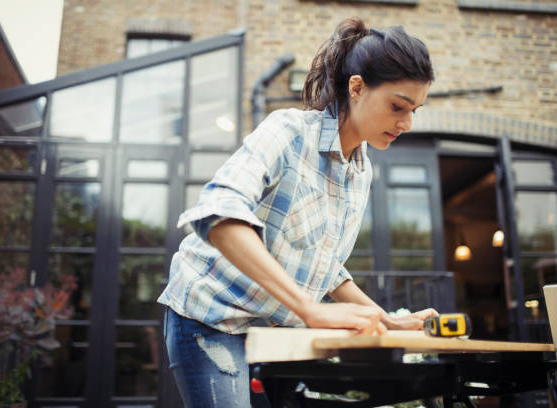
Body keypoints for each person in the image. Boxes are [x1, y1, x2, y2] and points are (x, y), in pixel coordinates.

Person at [157, 17, 438, 407]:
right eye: (398, 106)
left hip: (275, 331)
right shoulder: (288, 132)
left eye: (415, 110)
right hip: (210, 317)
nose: (407, 123)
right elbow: (218, 214)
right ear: (356, 87)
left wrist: (384, 318)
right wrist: (307, 308)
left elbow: (326, 267)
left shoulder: (361, 169)